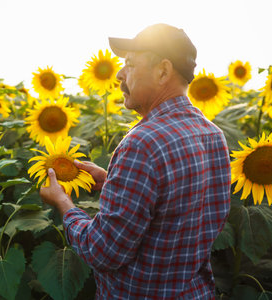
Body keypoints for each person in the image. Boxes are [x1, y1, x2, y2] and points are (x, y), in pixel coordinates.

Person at [39, 23, 231, 299]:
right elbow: (179, 213)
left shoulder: (142, 144)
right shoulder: (213, 135)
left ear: (163, 71)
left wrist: (63, 203)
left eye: (129, 64)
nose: (119, 74)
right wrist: (113, 183)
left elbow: (103, 251)